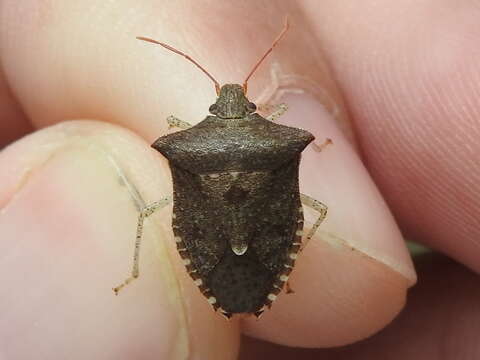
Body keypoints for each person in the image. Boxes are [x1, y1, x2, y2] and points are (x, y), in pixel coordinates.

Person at [0, 2, 478, 359]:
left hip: (205, 238)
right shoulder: (280, 137)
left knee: (146, 211)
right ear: (254, 110)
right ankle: (276, 284)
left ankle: (134, 276)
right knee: (323, 210)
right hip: (271, 245)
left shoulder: (185, 144)